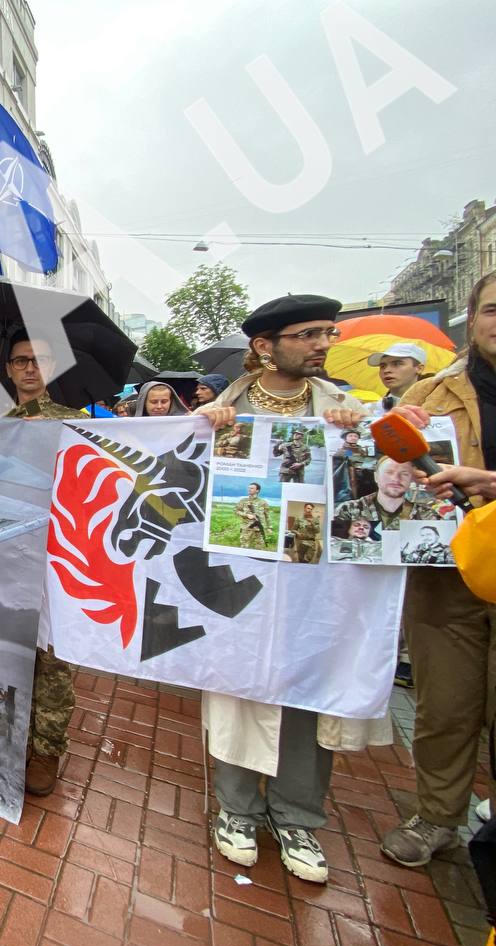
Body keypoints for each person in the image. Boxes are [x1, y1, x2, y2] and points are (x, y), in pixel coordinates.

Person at [199, 294, 371, 885]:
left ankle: (297, 815)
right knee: (237, 686)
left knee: (307, 690)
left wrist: (367, 435)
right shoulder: (223, 409)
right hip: (241, 582)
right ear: (265, 346)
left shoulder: (343, 409)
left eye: (328, 332)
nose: (322, 344)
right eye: (307, 334)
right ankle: (237, 809)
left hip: (317, 587)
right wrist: (205, 431)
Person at [380, 272, 496, 869]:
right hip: (447, 575)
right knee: (446, 704)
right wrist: (383, 444)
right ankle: (437, 816)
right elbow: (379, 474)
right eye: (493, 309)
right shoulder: (430, 393)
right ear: (471, 319)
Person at [1, 329, 81, 797]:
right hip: (6, 555)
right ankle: (11, 738)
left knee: (52, 658)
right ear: (9, 368)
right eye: (21, 360)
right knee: (9, 649)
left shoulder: (74, 423)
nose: (30, 368)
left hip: (56, 557)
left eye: (39, 360)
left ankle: (47, 749)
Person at [333, 457, 440, 529]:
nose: (396, 479)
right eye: (389, 472)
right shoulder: (348, 510)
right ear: (376, 477)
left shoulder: (427, 515)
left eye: (404, 474)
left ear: (410, 480)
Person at [369, 342, 426, 412]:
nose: (386, 370)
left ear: (419, 368)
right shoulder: (369, 411)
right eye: (382, 366)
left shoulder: (434, 409)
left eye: (397, 364)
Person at [235, 482, 270, 549]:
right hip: (246, 528)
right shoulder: (243, 501)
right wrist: (246, 515)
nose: (249, 489)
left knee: (259, 548)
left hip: (259, 529)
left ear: (257, 490)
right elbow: (236, 511)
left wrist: (269, 527)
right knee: (244, 547)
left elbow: (267, 516)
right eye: (249, 488)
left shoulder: (263, 502)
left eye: (252, 488)